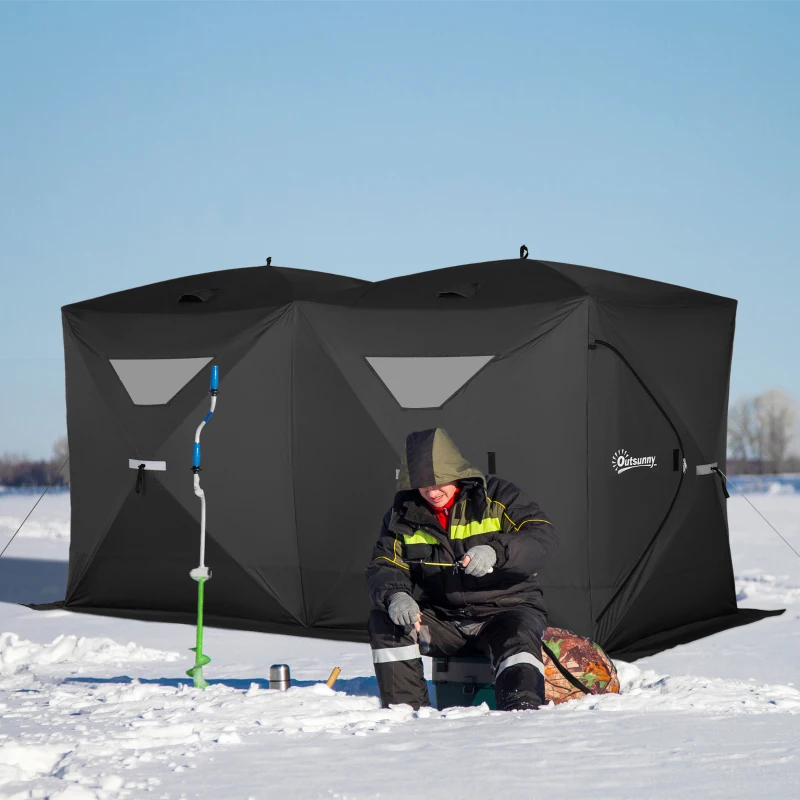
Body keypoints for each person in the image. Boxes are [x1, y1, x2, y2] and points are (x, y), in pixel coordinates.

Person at [365, 428, 558, 711]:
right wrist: (396, 595)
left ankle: (521, 714)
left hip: (507, 612)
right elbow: (385, 563)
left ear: (457, 472)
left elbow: (542, 539)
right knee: (388, 622)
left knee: (517, 638)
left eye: (440, 481)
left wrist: (496, 552)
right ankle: (406, 714)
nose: (433, 491)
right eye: (422, 484)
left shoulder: (499, 496)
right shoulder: (401, 514)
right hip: (444, 624)